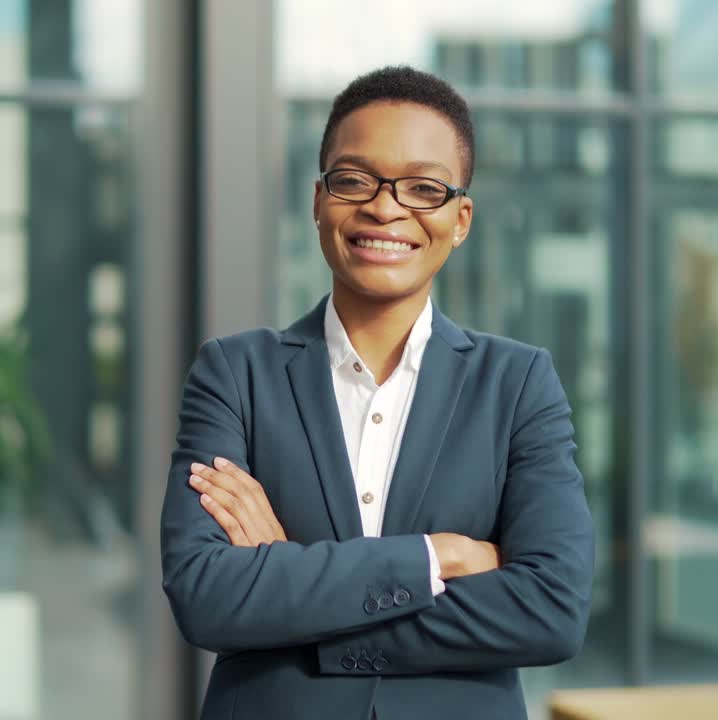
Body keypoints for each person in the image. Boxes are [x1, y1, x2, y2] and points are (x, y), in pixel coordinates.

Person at [160, 65, 594, 720]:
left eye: (423, 188)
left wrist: (290, 585)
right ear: (318, 200)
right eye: (355, 179)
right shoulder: (234, 373)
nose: (385, 208)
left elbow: (552, 611)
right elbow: (205, 595)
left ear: (461, 219)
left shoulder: (517, 383)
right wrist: (436, 556)